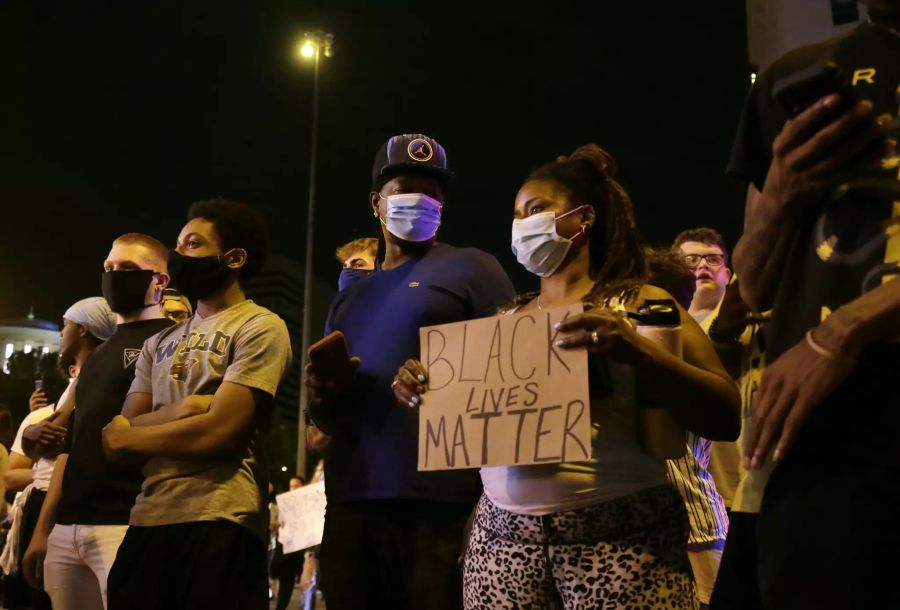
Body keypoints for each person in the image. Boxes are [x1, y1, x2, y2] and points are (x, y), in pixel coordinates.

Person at [430, 144, 740, 609]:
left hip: (622, 548)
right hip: (501, 551)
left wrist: (638, 352)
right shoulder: (507, 318)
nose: (522, 226)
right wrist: (427, 389)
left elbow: (725, 412)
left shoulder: (640, 303)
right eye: (516, 215)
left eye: (536, 210)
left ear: (583, 218)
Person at [727, 1, 899, 606]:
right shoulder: (795, 76)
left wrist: (843, 332)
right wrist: (781, 191)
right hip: (821, 434)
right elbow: (751, 287)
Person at [306, 133, 516, 610]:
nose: (420, 198)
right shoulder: (350, 296)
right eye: (404, 186)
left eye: (433, 189)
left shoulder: (472, 268)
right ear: (376, 202)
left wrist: (449, 380)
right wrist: (323, 398)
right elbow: (324, 424)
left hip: (440, 505)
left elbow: (515, 371)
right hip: (352, 501)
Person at [102, 199, 292, 610]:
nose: (177, 256)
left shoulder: (260, 326)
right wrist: (186, 410)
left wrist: (132, 435)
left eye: (192, 245)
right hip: (148, 518)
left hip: (221, 519)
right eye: (177, 244)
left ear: (233, 258)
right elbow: (120, 431)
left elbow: (221, 434)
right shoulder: (157, 343)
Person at [21, 235, 172, 610]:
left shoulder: (171, 342)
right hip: (68, 528)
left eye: (128, 269)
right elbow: (69, 451)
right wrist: (44, 530)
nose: (114, 276)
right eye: (109, 268)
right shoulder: (98, 356)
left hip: (125, 524)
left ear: (160, 280)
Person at [5, 297, 115, 610]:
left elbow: (61, 453)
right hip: (55, 508)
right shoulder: (77, 385)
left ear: (82, 329)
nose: (60, 335)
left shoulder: (97, 380)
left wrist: (42, 529)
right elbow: (42, 446)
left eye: (65, 326)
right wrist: (32, 433)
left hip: (71, 511)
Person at [270, 476, 306, 610]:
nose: (294, 488)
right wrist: (277, 523)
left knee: (306, 582)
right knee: (286, 581)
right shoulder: (284, 503)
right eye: (291, 486)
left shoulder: (309, 502)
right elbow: (278, 523)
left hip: (303, 547)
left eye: (297, 485)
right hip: (286, 547)